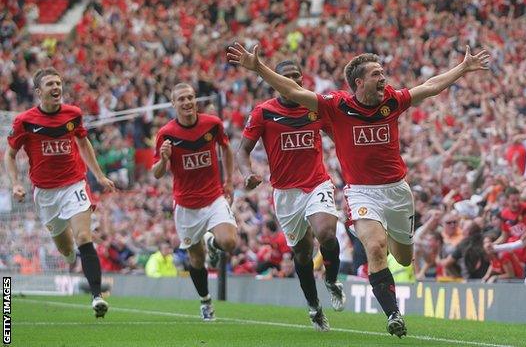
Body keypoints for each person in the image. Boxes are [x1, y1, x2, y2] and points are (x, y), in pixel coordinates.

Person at [227, 42, 490, 337]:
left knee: (403, 258)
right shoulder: (335, 106)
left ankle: (388, 236)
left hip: (397, 192)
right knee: (374, 247)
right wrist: (259, 68)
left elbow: (430, 86)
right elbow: (293, 93)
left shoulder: (391, 101)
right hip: (361, 192)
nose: (384, 78)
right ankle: (393, 315)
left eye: (383, 72)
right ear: (359, 82)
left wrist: (463, 68)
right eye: (377, 73)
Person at [237, 60, 345, 332]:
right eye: (287, 76)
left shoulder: (314, 106)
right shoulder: (263, 113)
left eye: (298, 76)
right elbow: (242, 151)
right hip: (286, 193)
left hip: (316, 183)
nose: (294, 81)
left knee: (328, 234)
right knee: (301, 254)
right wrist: (247, 174)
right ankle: (314, 306)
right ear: (274, 79)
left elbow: (340, 137)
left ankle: (332, 279)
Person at [4, 67, 115, 318]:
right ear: (38, 92)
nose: (56, 88)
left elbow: (83, 142)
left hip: (74, 184)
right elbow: (10, 155)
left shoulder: (73, 114)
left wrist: (98, 175)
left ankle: (97, 296)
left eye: (58, 83)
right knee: (66, 249)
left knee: (84, 236)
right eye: (50, 84)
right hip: (45, 193)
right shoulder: (25, 121)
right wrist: (15, 183)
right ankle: (70, 256)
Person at [152, 83, 238, 321]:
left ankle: (213, 243)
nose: (187, 102)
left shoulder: (212, 124)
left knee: (229, 242)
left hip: (213, 198)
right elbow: (157, 173)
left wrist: (229, 180)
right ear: (174, 104)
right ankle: (205, 301)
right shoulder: (166, 134)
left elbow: (226, 148)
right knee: (196, 259)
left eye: (190, 97)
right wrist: (163, 159)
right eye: (181, 99)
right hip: (186, 206)